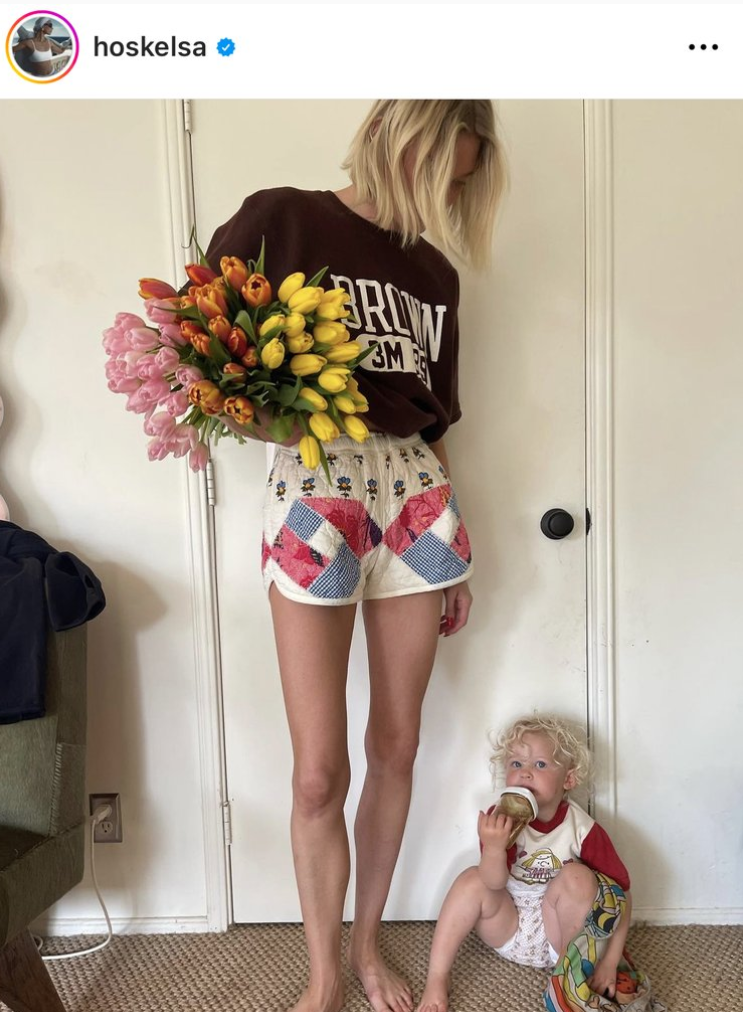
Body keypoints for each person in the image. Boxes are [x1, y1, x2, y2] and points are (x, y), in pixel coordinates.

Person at [201, 100, 506, 1012]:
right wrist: (270, 419)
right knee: (317, 774)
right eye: (438, 172)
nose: (439, 198)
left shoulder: (435, 273)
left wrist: (456, 546)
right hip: (315, 486)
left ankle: (368, 949)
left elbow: (436, 418)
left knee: (397, 744)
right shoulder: (282, 220)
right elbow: (210, 362)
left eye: (457, 183)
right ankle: (323, 974)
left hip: (418, 494)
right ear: (398, 138)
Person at [416, 715, 632, 1012]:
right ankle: (437, 977)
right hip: (509, 927)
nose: (525, 773)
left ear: (568, 779)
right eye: (516, 763)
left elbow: (620, 893)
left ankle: (569, 978)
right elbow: (493, 883)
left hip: (563, 939)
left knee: (579, 877)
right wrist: (494, 847)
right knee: (472, 879)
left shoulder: (581, 828)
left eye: (540, 764)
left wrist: (610, 959)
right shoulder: (501, 818)